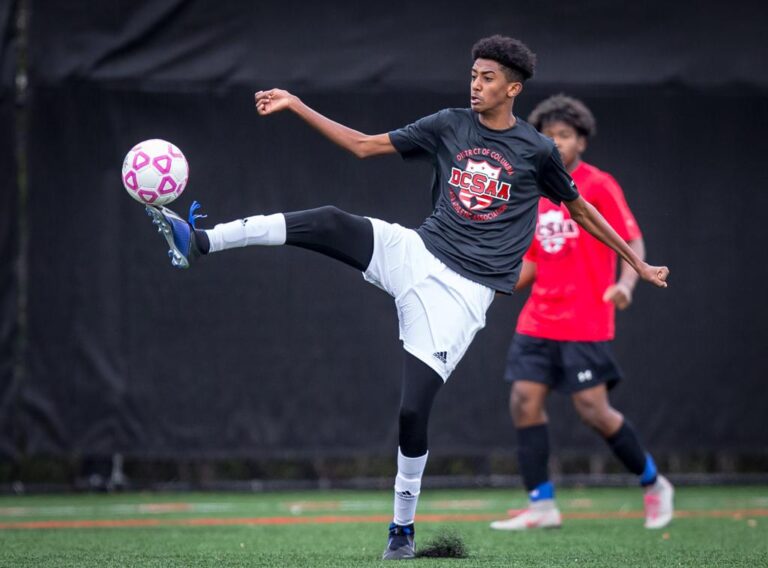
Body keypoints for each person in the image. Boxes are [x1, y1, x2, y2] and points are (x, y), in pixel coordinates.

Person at [143, 37, 670, 559]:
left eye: (488, 78)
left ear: (513, 87)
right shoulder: (449, 124)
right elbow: (363, 146)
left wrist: (636, 264)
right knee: (329, 221)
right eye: (473, 74)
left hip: (463, 294)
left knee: (413, 412)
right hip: (417, 251)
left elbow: (580, 211)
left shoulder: (536, 150)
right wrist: (298, 104)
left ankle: (401, 529)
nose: (476, 84)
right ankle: (202, 242)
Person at [489, 94, 674, 533]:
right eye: (547, 136)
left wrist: (627, 284)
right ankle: (542, 504)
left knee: (593, 409)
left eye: (564, 136)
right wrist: (487, 286)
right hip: (538, 319)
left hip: (586, 318)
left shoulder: (598, 185)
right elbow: (531, 262)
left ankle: (654, 484)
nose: (555, 143)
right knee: (523, 400)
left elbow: (633, 240)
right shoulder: (533, 190)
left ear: (581, 142)